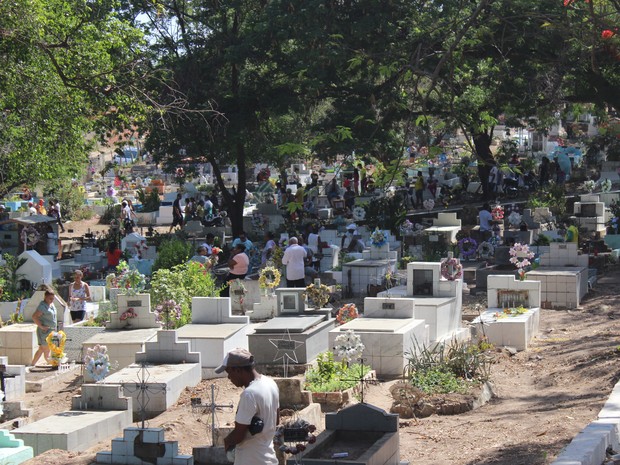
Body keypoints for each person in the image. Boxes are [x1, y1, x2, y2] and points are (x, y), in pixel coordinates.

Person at [218, 348, 279, 465]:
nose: (229, 377)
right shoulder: (270, 383)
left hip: (251, 460)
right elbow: (275, 420)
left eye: (229, 372)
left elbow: (238, 435)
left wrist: (227, 442)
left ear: (238, 370)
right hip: (269, 458)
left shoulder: (249, 394)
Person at [31, 289, 57, 367]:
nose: (52, 300)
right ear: (45, 297)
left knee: (45, 348)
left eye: (53, 298)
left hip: (51, 330)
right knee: (44, 348)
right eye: (50, 298)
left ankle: (35, 364)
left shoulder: (51, 304)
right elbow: (34, 317)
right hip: (45, 331)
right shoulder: (42, 306)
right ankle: (50, 364)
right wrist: (41, 326)